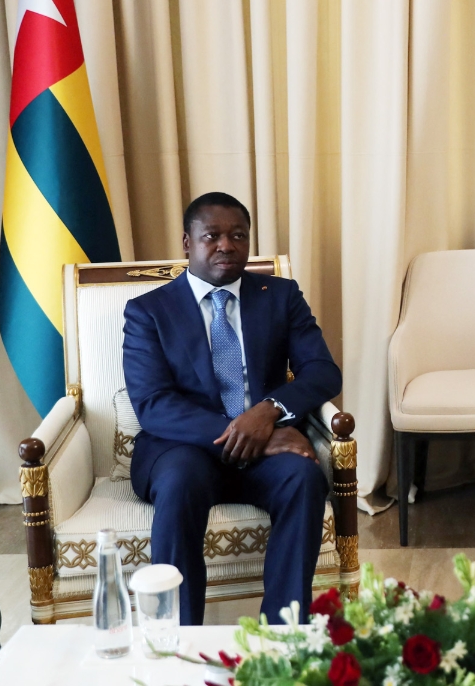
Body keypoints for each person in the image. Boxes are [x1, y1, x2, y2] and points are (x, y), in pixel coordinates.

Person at [123, 192, 341, 625]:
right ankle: (176, 637)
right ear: (188, 242)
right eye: (213, 236)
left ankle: (281, 635)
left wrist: (268, 412)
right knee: (181, 481)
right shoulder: (149, 311)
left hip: (264, 448)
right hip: (183, 448)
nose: (226, 245)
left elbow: (322, 372)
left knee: (303, 477)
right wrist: (242, 429)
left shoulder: (280, 296)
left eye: (238, 235)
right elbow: (153, 405)